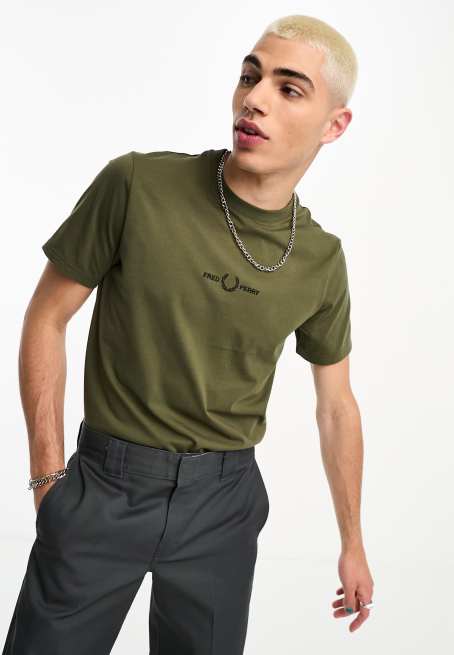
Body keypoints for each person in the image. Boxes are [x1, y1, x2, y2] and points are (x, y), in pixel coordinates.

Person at [2, 13, 374, 655]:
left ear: (334, 124)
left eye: (289, 88)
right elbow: (47, 316)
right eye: (250, 77)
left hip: (223, 506)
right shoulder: (137, 185)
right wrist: (47, 479)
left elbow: (336, 406)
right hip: (104, 486)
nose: (254, 99)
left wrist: (353, 542)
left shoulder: (320, 258)